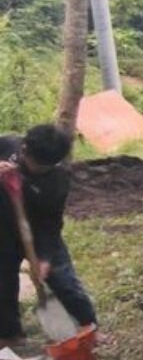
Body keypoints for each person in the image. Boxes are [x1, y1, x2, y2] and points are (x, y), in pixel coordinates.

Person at [0, 125, 97, 346]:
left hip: (37, 232)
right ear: (23, 147)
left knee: (63, 278)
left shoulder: (57, 181)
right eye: (25, 153)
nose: (25, 157)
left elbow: (51, 225)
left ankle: (88, 324)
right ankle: (10, 334)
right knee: (3, 282)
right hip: (2, 231)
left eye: (41, 166)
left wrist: (44, 257)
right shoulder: (7, 145)